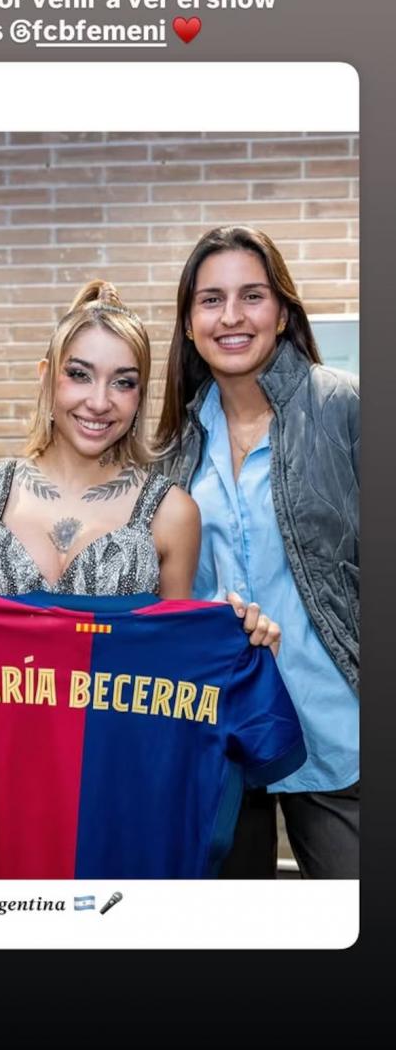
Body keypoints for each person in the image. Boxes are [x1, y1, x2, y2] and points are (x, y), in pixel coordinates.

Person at [0, 281, 292, 879]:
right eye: (80, 374)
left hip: (124, 791)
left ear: (142, 395)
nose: (99, 401)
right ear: (47, 377)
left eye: (124, 381)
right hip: (15, 793)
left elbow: (178, 671)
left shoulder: (172, 512)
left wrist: (239, 645)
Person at [153, 226, 359, 880]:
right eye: (211, 300)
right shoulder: (173, 443)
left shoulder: (344, 407)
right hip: (222, 735)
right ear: (189, 323)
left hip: (339, 731)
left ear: (283, 311)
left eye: (252, 296)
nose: (233, 317)